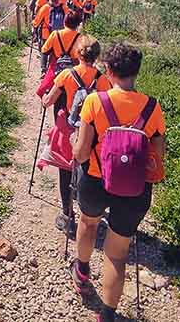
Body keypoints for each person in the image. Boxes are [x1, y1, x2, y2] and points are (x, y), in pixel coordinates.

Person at [70, 43, 166, 322]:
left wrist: (73, 141)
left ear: (109, 71)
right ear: (136, 72)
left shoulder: (94, 102)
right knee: (117, 252)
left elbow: (82, 153)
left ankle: (82, 272)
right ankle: (108, 314)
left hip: (95, 180)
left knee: (88, 223)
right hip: (134, 188)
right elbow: (156, 158)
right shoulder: (152, 107)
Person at [40, 35, 111, 236]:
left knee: (65, 171)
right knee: (87, 170)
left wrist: (45, 99)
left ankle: (66, 214)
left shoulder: (66, 75)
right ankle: (87, 208)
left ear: (77, 54)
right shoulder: (103, 80)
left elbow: (49, 100)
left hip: (69, 130)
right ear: (97, 56)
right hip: (92, 132)